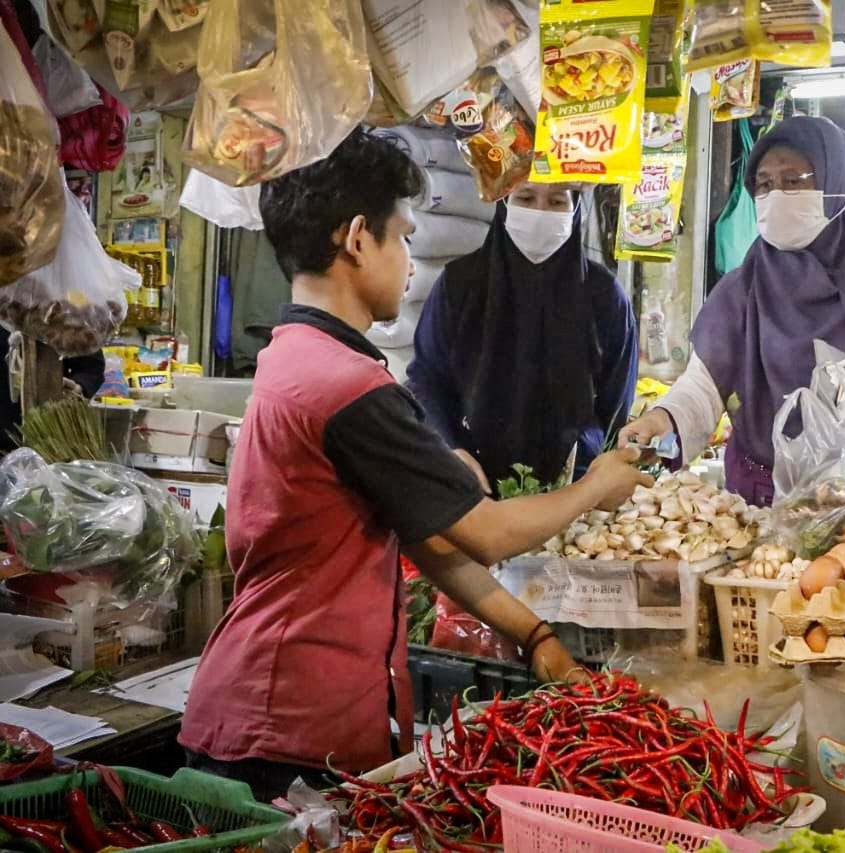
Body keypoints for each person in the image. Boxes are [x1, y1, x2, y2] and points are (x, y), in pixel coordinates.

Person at [179, 129, 651, 801]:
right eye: (401, 236)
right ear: (355, 239)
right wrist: (594, 485)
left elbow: (432, 541)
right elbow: (486, 532)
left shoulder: (297, 352)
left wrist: (535, 633)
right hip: (286, 725)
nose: (409, 260)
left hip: (274, 707)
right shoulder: (348, 387)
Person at [620, 116, 845, 506]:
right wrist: (659, 421)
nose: (776, 196)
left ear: (836, 182)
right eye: (764, 185)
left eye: (794, 181)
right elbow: (702, 389)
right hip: (770, 507)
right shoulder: (742, 290)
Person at [405, 180, 637, 495]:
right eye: (525, 198)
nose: (540, 213)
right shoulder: (460, 284)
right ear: (503, 203)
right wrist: (451, 448)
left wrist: (592, 470)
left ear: (576, 208)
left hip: (574, 491)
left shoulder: (604, 294)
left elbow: (616, 402)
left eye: (557, 202)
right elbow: (426, 379)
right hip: (473, 484)